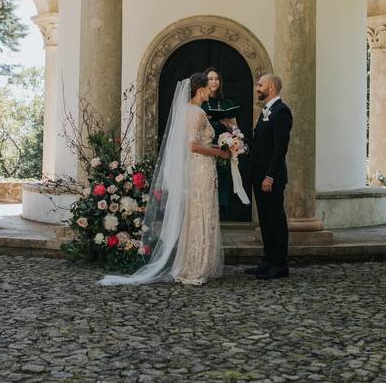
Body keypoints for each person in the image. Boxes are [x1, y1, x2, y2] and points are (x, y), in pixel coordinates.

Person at [100, 72, 231, 286]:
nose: (211, 91)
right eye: (208, 88)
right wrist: (221, 152)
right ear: (200, 89)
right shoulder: (197, 113)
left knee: (197, 214)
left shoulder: (185, 110)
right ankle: (197, 266)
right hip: (201, 169)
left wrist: (222, 146)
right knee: (201, 214)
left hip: (198, 168)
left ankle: (195, 263)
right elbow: (193, 146)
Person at [245, 74, 292, 280]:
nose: (257, 88)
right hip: (259, 176)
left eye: (260, 85)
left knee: (275, 219)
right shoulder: (266, 110)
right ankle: (267, 260)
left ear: (271, 87)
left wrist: (270, 176)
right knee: (264, 219)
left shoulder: (281, 111)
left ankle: (280, 264)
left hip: (270, 178)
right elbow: (260, 143)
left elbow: (280, 148)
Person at [201, 67, 241, 217]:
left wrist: (228, 125)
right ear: (205, 81)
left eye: (216, 78)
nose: (214, 81)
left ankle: (221, 212)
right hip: (205, 149)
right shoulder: (200, 103)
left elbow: (236, 129)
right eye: (210, 78)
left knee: (222, 181)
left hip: (223, 149)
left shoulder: (227, 103)